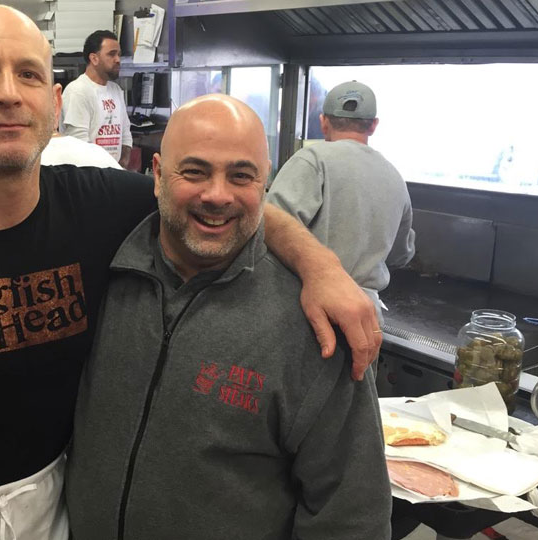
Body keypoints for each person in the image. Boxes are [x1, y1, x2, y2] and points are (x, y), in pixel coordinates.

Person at [0, 6, 382, 540]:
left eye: (29, 74)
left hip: (46, 511)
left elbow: (212, 196)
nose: (8, 93)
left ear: (53, 104)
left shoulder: (97, 208)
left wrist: (319, 264)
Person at [66, 94, 392, 540]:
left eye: (241, 175)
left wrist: (323, 266)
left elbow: (352, 515)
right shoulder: (101, 272)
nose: (217, 195)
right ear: (158, 175)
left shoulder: (313, 327)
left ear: (265, 184)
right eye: (195, 172)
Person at [267, 80, 415, 322]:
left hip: (309, 312)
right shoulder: (395, 177)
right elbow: (401, 254)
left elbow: (270, 226)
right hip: (365, 318)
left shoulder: (312, 159)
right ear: (374, 125)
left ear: (323, 122)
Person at [61, 30, 133, 168]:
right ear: (94, 58)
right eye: (112, 54)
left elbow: (125, 134)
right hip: (88, 176)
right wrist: (103, 175)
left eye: (119, 54)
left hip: (112, 175)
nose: (118, 60)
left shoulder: (116, 90)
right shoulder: (78, 90)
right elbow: (79, 144)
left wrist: (120, 168)